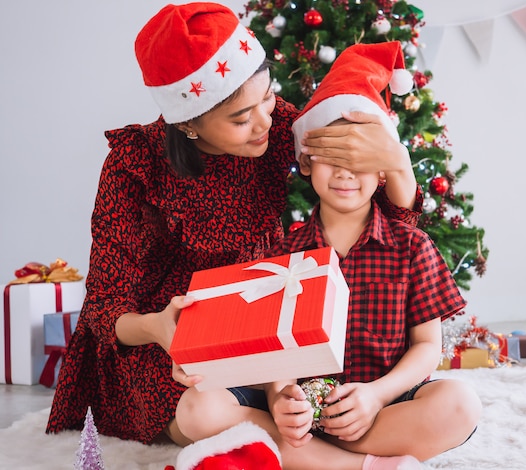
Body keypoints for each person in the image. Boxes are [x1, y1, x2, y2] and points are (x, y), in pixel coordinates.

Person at [45, 2, 420, 450]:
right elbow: (105, 306)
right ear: (188, 125)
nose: (266, 120)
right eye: (241, 118)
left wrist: (397, 161)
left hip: (265, 319)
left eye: (267, 96)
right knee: (199, 409)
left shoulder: (279, 124)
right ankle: (356, 462)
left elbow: (385, 211)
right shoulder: (135, 165)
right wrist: (159, 328)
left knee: (305, 394)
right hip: (169, 337)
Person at [172, 42, 482, 470]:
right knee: (195, 409)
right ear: (305, 162)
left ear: (382, 173)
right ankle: (360, 466)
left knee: (459, 404)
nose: (344, 173)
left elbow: (428, 346)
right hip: (300, 415)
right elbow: (274, 350)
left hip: (381, 404)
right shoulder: (285, 250)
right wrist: (281, 398)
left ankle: (309, 459)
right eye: (330, 157)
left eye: (359, 161)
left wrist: (376, 395)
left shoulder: (412, 247)